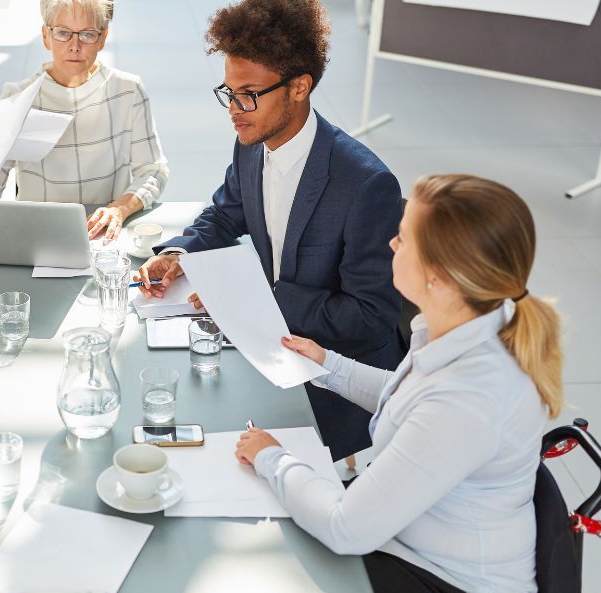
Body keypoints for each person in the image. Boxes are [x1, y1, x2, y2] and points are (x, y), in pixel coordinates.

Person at [236, 174, 563, 593]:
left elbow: (345, 528)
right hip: (409, 535)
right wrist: (328, 366)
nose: (391, 243)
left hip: (441, 577)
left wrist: (272, 458)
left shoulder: (468, 400)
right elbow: (411, 399)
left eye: (403, 238)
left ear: (438, 276)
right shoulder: (468, 326)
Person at [136, 0, 403, 461]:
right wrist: (180, 254)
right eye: (229, 92)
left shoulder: (365, 185)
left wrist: (256, 300)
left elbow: (371, 316)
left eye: (249, 94)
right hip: (269, 351)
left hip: (336, 387)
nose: (234, 111)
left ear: (299, 87)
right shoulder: (252, 141)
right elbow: (225, 213)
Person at [0, 0, 169, 240]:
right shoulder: (16, 98)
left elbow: (154, 171)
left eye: (87, 34)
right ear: (46, 36)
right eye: (63, 33)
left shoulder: (129, 91)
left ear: (103, 37)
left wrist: (120, 208)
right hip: (34, 237)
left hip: (102, 237)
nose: (74, 46)